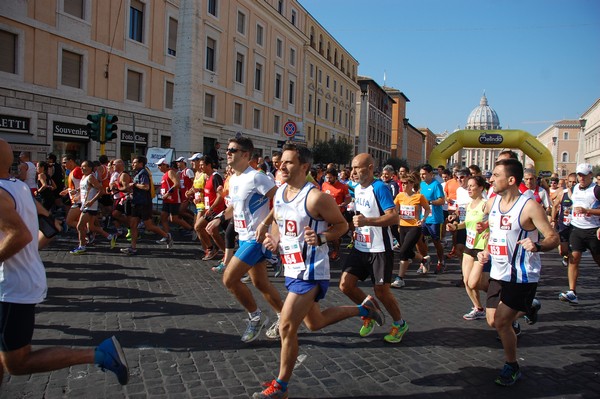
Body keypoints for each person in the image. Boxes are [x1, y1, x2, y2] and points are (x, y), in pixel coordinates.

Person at [252, 144, 384, 399]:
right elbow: (280, 222)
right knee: (315, 323)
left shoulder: (316, 197)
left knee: (287, 326)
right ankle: (365, 309)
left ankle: (281, 387)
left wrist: (322, 238)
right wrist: (274, 240)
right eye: (281, 162)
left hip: (312, 270)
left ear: (304, 167)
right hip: (292, 267)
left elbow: (342, 225)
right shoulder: (279, 193)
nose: (281, 166)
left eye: (289, 162)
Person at [0, 139, 129, 387]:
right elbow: (50, 226)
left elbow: (21, 235)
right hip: (21, 280)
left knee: (16, 362)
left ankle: (100, 354)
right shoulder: (18, 187)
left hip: (12, 288)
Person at [477, 158, 558, 386]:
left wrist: (538, 246)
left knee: (503, 322)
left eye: (495, 175)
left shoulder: (529, 206)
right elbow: (494, 235)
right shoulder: (493, 203)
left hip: (522, 275)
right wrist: (486, 252)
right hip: (498, 272)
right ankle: (530, 306)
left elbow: (554, 237)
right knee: (492, 321)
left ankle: (512, 366)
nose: (490, 179)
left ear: (511, 180)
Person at [205, 137, 282, 342]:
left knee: (229, 279)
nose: (228, 152)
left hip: (255, 240)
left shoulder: (257, 177)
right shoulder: (236, 178)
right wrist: (220, 218)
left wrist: (267, 225)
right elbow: (235, 207)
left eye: (233, 150)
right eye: (228, 149)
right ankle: (285, 317)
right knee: (261, 283)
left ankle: (255, 317)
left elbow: (282, 201)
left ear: (246, 154)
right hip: (243, 236)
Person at [339, 153, 409, 344]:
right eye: (352, 168)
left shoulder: (380, 188)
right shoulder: (356, 188)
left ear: (370, 168)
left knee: (382, 291)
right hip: (361, 246)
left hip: (379, 249)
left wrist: (367, 221)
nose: (353, 172)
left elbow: (394, 217)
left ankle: (400, 324)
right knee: (345, 285)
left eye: (357, 168)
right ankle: (370, 310)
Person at [558, 163, 600, 304]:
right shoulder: (575, 188)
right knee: (573, 259)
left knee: (597, 259)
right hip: (576, 229)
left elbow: (589, 209)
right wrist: (569, 210)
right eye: (579, 175)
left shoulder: (596, 190)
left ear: (590, 176)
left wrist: (588, 211)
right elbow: (575, 204)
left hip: (593, 229)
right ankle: (572, 292)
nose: (581, 178)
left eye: (584, 175)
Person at [449, 175, 489, 320]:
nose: (469, 188)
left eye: (472, 186)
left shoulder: (485, 205)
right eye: (469, 186)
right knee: (466, 281)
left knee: (476, 282)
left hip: (481, 247)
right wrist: (455, 226)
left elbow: (493, 222)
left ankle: (503, 298)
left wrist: (488, 230)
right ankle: (478, 308)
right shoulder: (469, 205)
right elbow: (466, 223)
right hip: (469, 245)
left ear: (480, 188)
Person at [120, 156, 172, 255]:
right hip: (136, 202)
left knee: (149, 226)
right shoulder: (138, 173)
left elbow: (146, 187)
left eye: (134, 162)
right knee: (133, 224)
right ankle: (133, 247)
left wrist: (134, 185)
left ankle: (166, 235)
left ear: (141, 163)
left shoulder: (143, 172)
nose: (132, 164)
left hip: (144, 203)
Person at [69, 160, 117, 254]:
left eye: (84, 166)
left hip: (90, 206)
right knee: (91, 227)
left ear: (90, 168)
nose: (82, 168)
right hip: (85, 204)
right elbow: (85, 187)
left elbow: (101, 190)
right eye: (81, 166)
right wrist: (76, 191)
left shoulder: (91, 177)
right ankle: (110, 236)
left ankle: (82, 246)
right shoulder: (84, 177)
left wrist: (91, 201)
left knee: (80, 226)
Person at [391, 173, 430, 288]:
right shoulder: (399, 196)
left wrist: (423, 219)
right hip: (402, 227)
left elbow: (427, 209)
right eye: (402, 183)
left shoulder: (419, 197)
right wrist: (397, 219)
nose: (403, 185)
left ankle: (400, 278)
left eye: (406, 183)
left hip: (414, 227)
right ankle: (423, 260)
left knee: (403, 252)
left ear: (412, 184)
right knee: (406, 251)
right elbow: (395, 210)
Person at [195, 155, 225, 260]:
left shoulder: (215, 176)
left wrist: (211, 209)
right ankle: (221, 251)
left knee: (200, 227)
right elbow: (209, 194)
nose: (200, 167)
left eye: (202, 165)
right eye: (200, 165)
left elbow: (220, 196)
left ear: (209, 165)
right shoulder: (207, 177)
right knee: (211, 232)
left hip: (216, 210)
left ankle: (216, 250)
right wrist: (200, 200)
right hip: (210, 209)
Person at [418, 164, 446, 273]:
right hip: (423, 218)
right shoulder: (421, 184)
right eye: (421, 174)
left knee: (436, 241)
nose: (422, 176)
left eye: (424, 174)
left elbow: (442, 200)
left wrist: (429, 202)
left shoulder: (436, 185)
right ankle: (424, 261)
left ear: (430, 174)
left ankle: (441, 262)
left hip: (435, 218)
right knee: (420, 240)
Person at [156, 159, 193, 242]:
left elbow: (177, 184)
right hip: (167, 200)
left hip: (173, 200)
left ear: (165, 165)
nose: (158, 167)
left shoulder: (170, 172)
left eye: (160, 165)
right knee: (163, 217)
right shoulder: (164, 174)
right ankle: (167, 236)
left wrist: (167, 194)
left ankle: (191, 229)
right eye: (158, 165)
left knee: (174, 219)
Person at [320, 167, 351, 261]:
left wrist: (343, 204)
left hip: (337, 214)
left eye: (330, 178)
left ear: (335, 177)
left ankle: (336, 251)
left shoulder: (343, 187)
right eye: (327, 178)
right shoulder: (324, 185)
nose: (328, 180)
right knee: (322, 232)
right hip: (325, 213)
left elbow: (348, 199)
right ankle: (322, 248)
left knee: (334, 235)